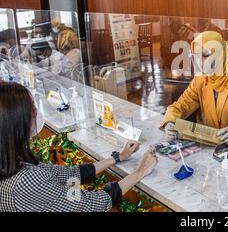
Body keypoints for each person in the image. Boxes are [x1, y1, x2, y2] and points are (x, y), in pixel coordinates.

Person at [0, 81, 158, 212]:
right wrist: (140, 172)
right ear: (16, 123)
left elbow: (69, 174)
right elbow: (95, 204)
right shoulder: (26, 181)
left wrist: (117, 157)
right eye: (33, 111)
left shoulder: (12, 161)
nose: (37, 113)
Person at [161, 31, 228, 143]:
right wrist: (170, 122)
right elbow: (179, 107)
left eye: (206, 55)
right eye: (197, 56)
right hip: (205, 146)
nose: (200, 62)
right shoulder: (200, 79)